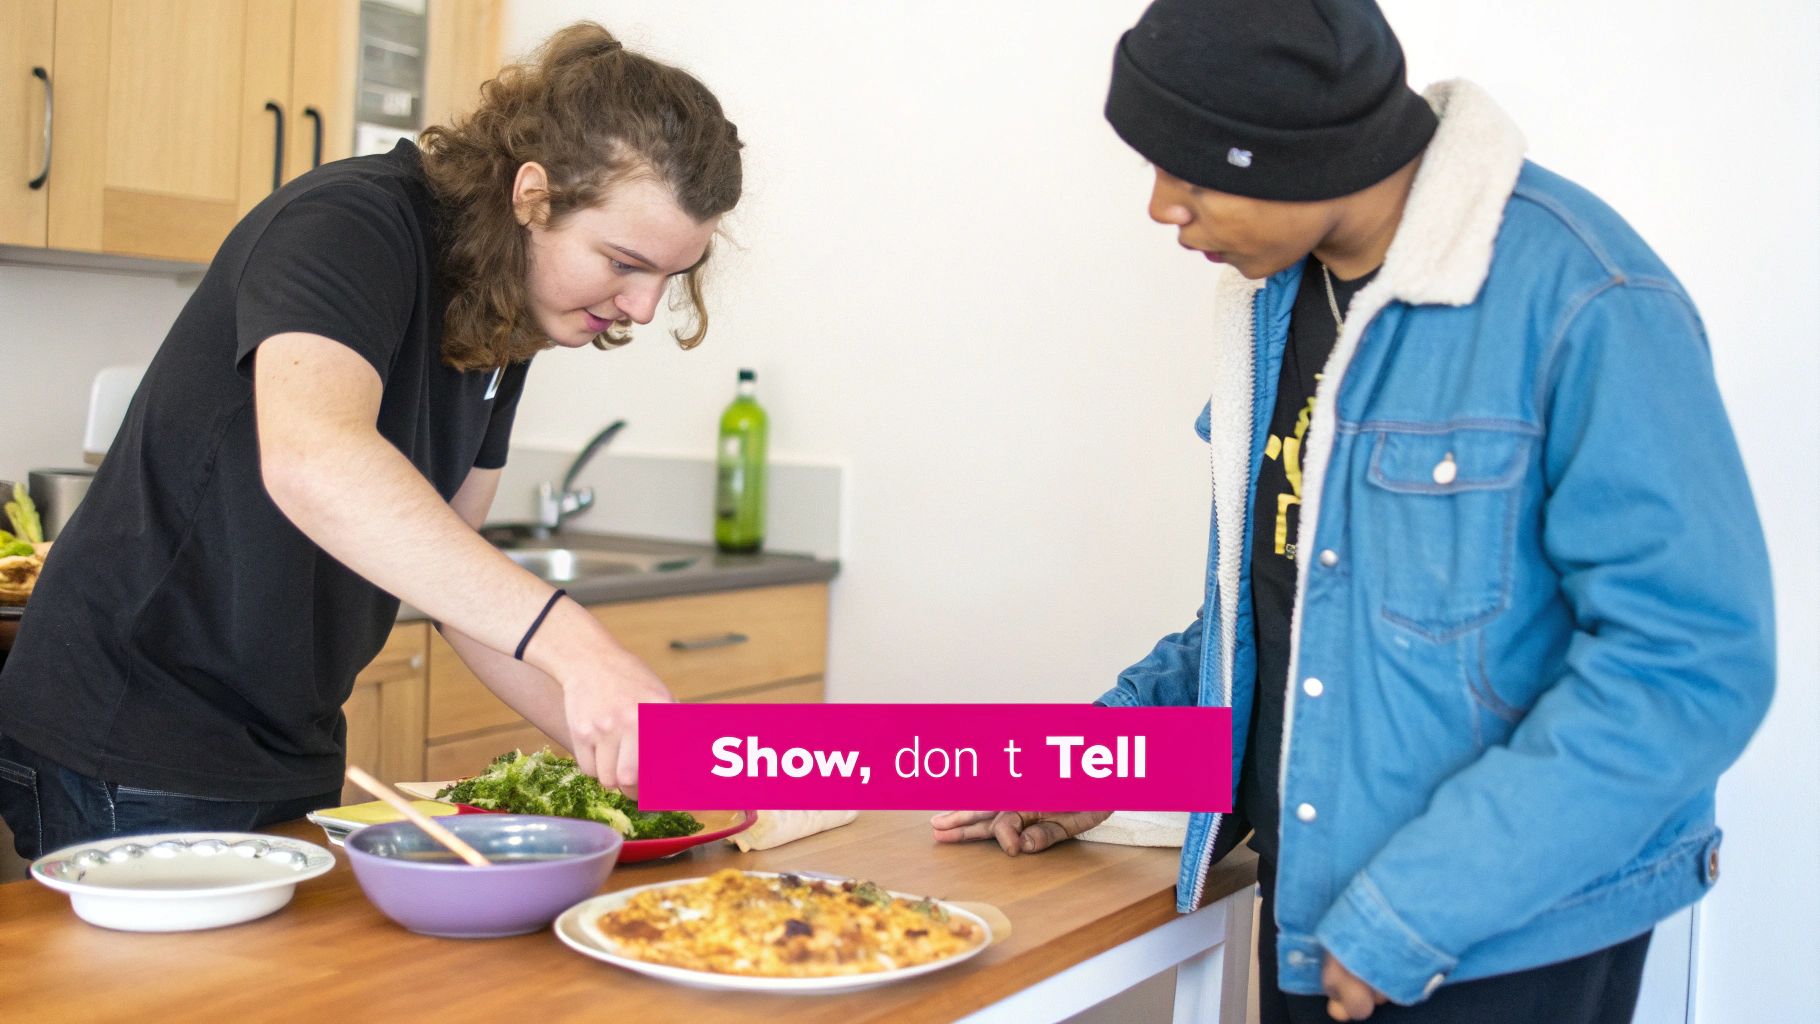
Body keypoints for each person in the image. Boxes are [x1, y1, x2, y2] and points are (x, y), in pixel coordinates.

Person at [934, 2, 1775, 1021]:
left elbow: (1689, 665)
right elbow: (1281, 612)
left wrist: (1417, 908)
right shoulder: (1268, 303)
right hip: (1312, 911)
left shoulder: (1586, 297)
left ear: (1299, 149)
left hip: (1497, 941)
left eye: (1188, 171)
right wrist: (1106, 756)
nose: (1160, 207)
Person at [0, 23, 743, 860]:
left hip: (290, 741)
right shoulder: (349, 225)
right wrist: (578, 646)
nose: (642, 307)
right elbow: (314, 458)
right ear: (534, 196)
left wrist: (652, 757)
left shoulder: (504, 311)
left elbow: (453, 574)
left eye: (670, 277)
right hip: (129, 735)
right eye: (624, 262)